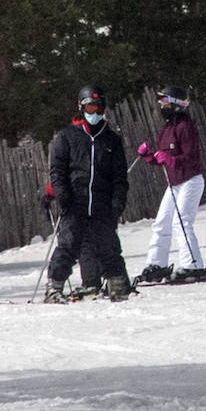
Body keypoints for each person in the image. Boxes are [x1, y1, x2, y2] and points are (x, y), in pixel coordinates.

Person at [45, 84, 132, 303]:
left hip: (102, 203)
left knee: (109, 245)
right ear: (81, 108)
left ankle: (118, 285)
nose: (95, 113)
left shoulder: (111, 139)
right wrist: (62, 195)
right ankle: (54, 287)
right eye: (90, 108)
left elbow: (120, 176)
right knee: (69, 246)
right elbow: (57, 170)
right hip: (76, 202)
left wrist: (117, 202)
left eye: (99, 108)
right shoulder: (67, 137)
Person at [134, 84, 206, 284]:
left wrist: (172, 160)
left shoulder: (186, 126)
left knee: (181, 222)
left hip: (190, 181)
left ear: (176, 104)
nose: (161, 106)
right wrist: (149, 157)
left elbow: (191, 156)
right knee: (161, 223)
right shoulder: (165, 130)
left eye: (164, 101)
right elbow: (162, 161)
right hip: (174, 184)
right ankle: (157, 265)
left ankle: (193, 265)